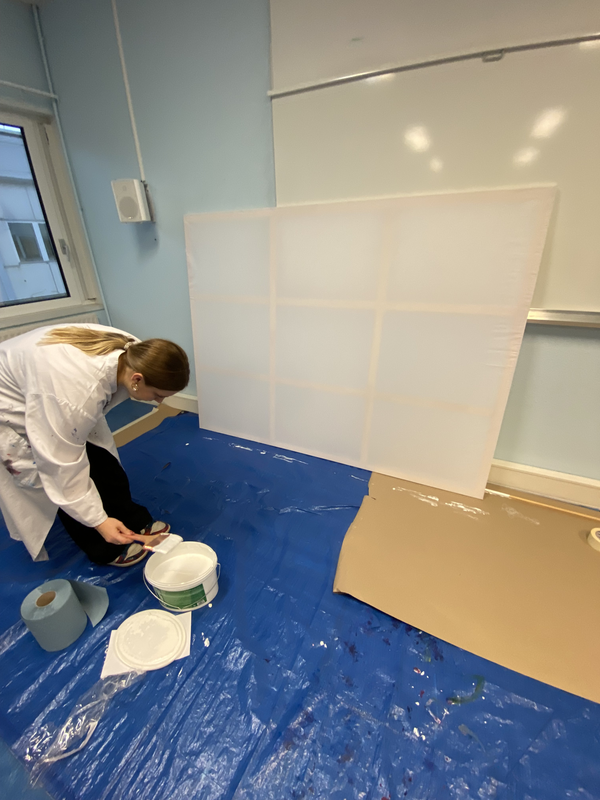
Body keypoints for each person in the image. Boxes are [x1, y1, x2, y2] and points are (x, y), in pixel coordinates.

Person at [0, 323, 190, 567]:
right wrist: (98, 522)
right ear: (137, 379)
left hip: (50, 388)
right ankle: (103, 546)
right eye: (157, 394)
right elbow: (61, 469)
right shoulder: (72, 396)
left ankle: (128, 516)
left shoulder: (135, 353)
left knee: (102, 460)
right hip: (11, 404)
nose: (160, 402)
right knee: (58, 478)